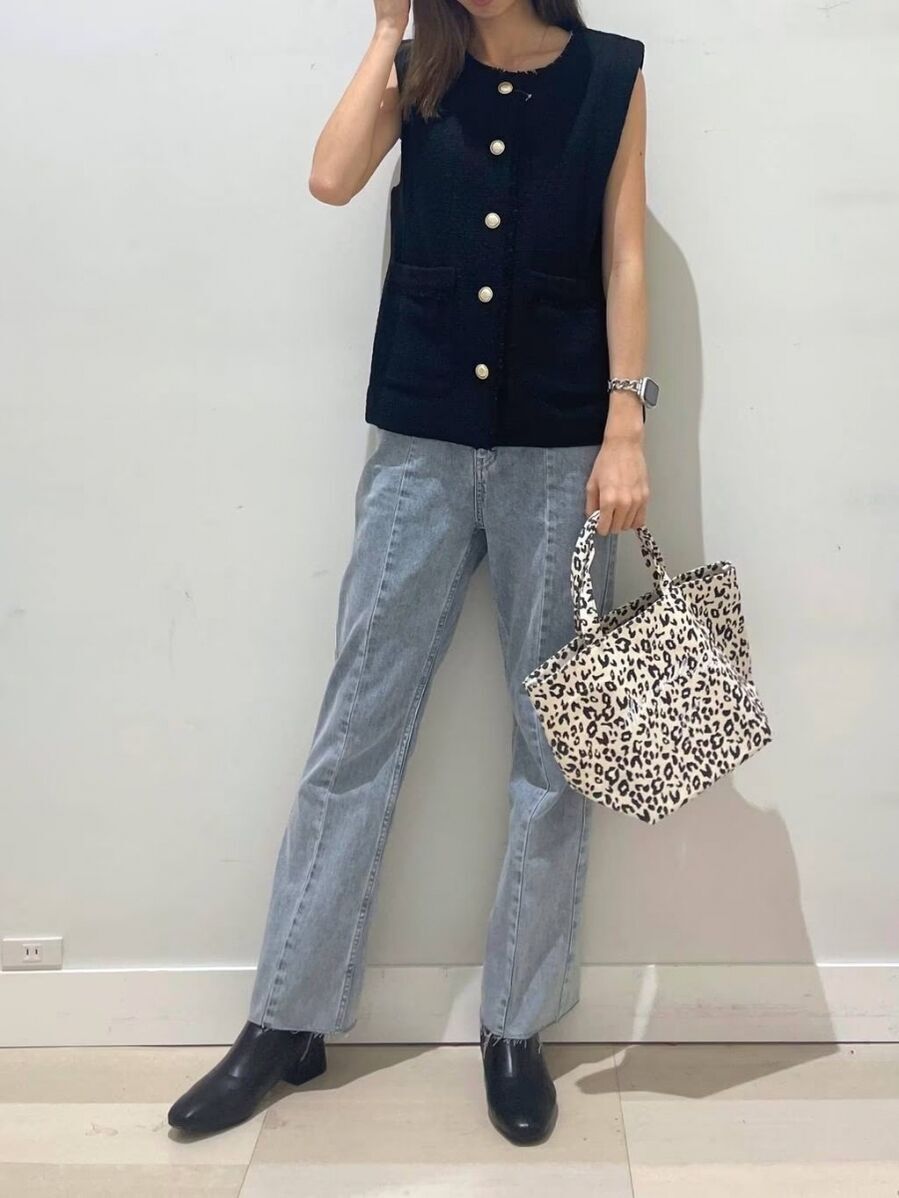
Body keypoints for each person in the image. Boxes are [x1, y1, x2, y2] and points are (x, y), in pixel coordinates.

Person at [169, 0, 651, 1147]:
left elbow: (623, 249)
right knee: (356, 731)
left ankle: (515, 1024)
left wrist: (624, 425)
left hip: (559, 452)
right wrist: (383, 28)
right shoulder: (420, 66)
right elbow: (330, 176)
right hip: (419, 446)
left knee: (554, 744)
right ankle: (287, 1017)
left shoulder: (610, 74)